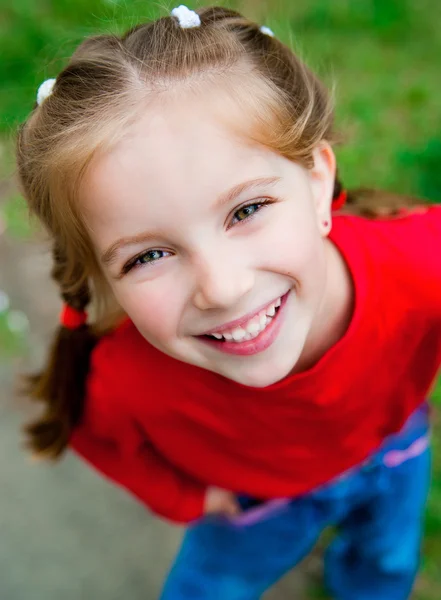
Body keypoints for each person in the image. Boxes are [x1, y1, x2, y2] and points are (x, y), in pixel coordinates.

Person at [16, 5, 440, 599]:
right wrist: (190, 498)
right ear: (103, 279)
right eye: (148, 256)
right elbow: (95, 433)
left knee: (386, 565)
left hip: (392, 453)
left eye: (245, 211)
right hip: (253, 506)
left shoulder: (418, 264)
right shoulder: (127, 378)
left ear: (318, 182)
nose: (222, 287)